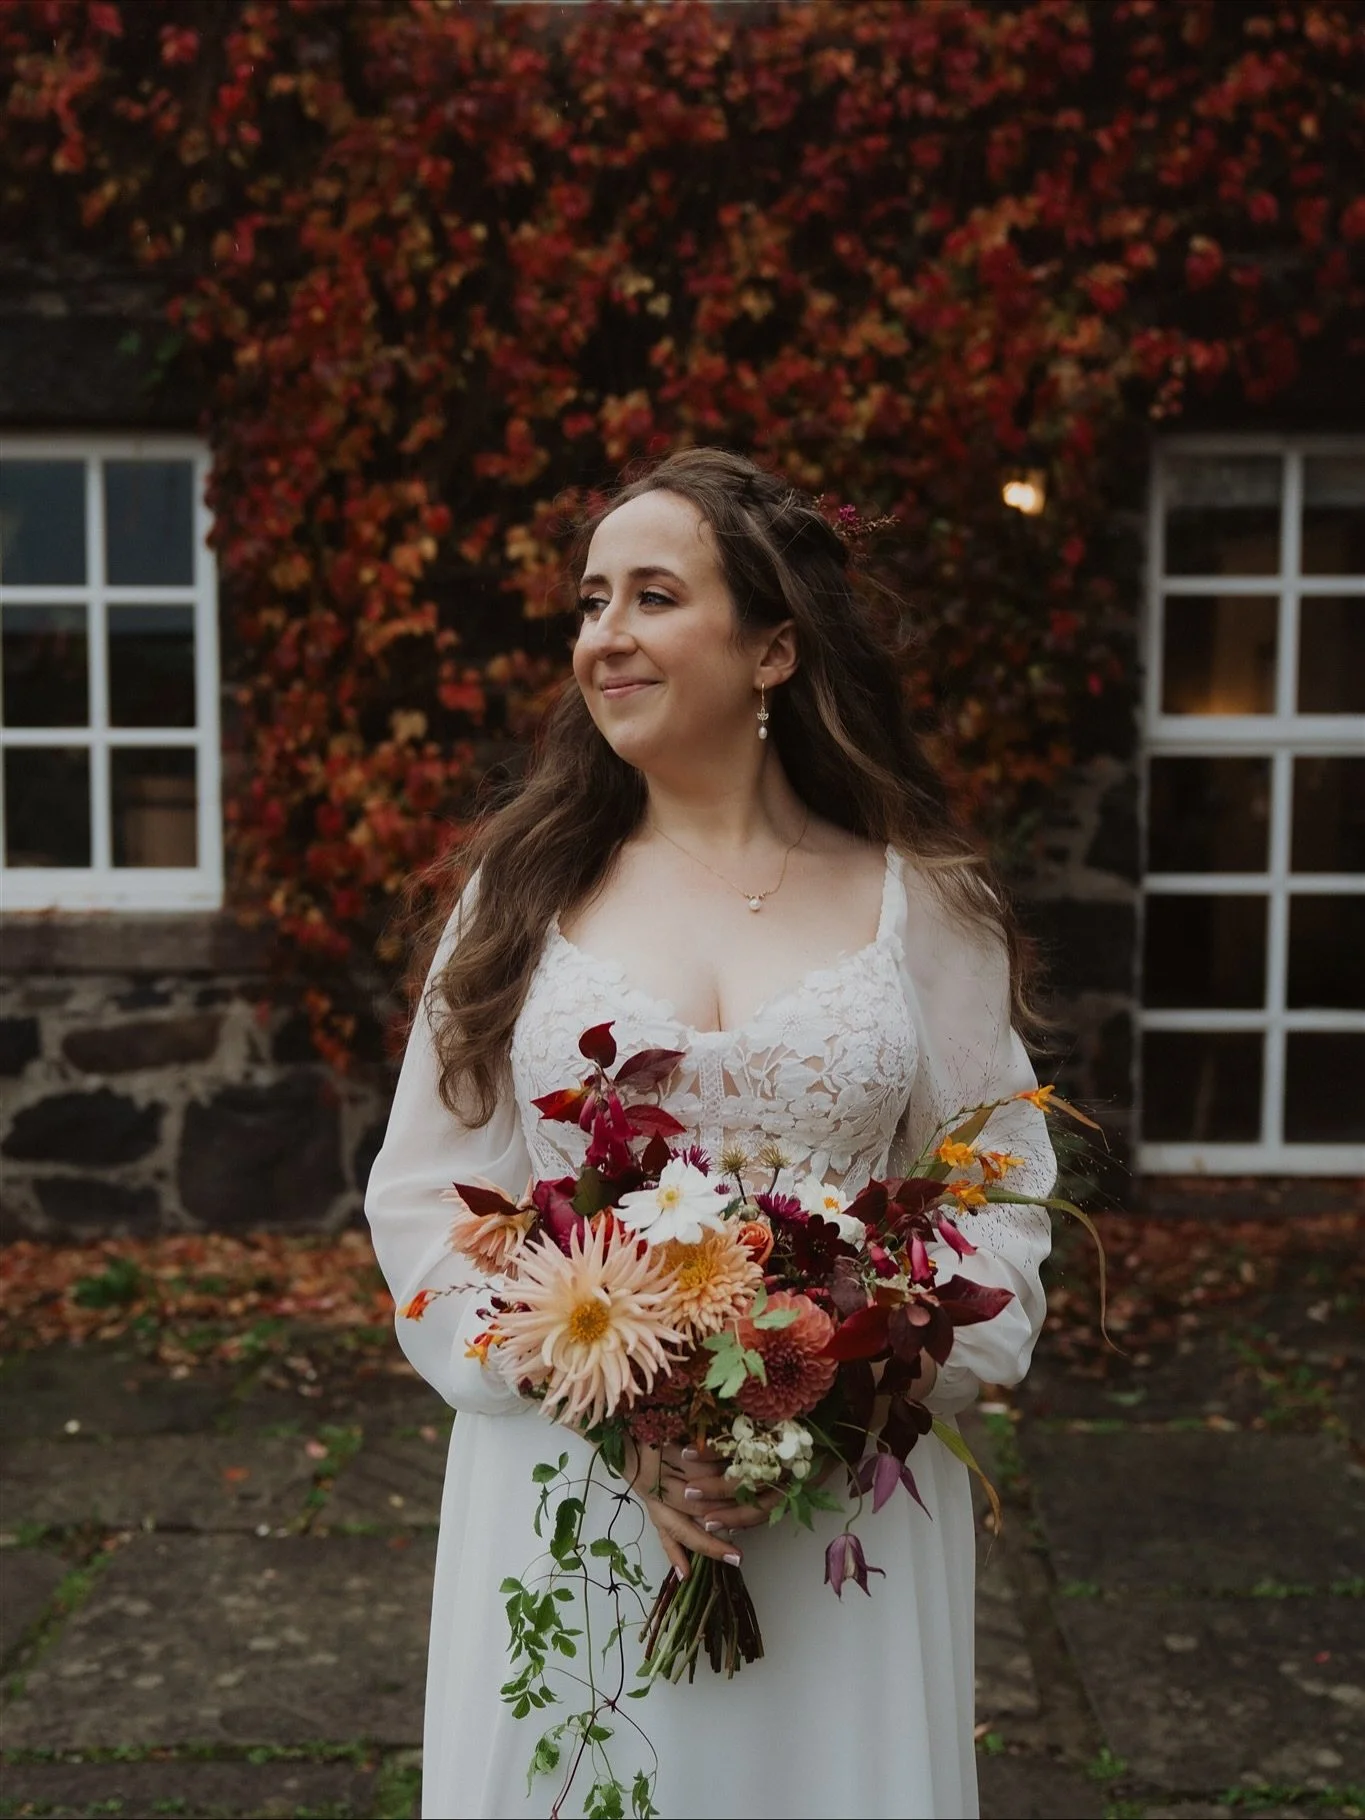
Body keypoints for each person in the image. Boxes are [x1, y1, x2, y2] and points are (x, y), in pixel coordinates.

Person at [365, 447, 1055, 1820]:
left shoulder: (922, 906)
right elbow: (429, 1203)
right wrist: (627, 1408)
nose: (603, 636)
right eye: (589, 601)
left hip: (842, 1505)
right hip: (573, 1488)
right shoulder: (522, 896)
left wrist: (826, 1380)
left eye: (652, 597)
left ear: (773, 650)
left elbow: (998, 1200)